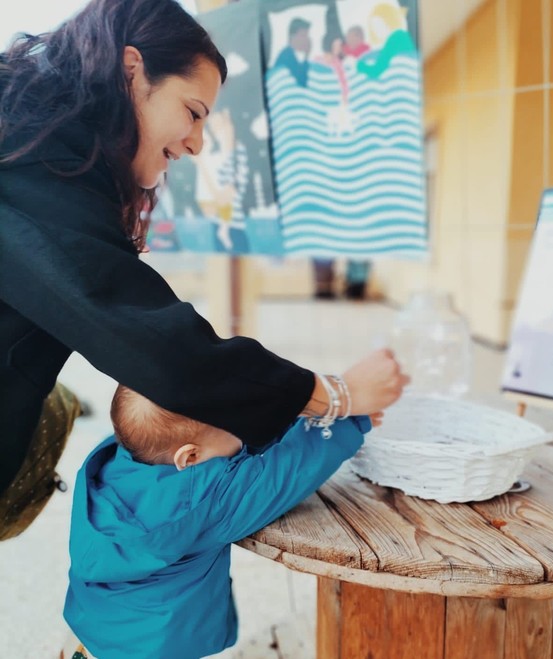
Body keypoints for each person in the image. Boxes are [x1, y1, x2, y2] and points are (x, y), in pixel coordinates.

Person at [0, 0, 408, 540]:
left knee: (59, 403)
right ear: (130, 70)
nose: (195, 143)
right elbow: (155, 342)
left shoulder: (36, 144)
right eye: (193, 112)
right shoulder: (32, 167)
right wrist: (335, 395)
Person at [62, 384, 374, 658]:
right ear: (190, 458)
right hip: (157, 648)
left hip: (91, 631)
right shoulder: (207, 500)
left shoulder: (117, 460)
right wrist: (348, 417)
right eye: (234, 427)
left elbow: (231, 443)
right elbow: (287, 473)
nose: (244, 430)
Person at [273, 17, 312, 88]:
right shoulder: (286, 56)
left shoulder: (291, 54)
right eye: (303, 36)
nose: (307, 39)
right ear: (292, 37)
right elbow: (302, 82)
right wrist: (307, 55)